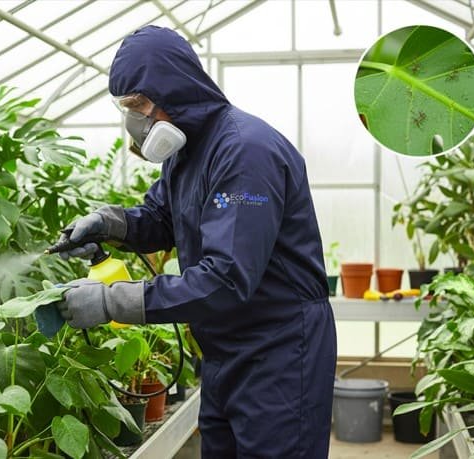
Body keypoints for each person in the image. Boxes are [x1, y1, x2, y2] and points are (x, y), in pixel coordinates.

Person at [54, 25, 337, 458]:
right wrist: (108, 223)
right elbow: (161, 218)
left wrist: (111, 302)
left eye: (140, 104)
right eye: (127, 107)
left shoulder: (245, 152)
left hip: (279, 350)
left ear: (174, 90)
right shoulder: (187, 153)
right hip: (225, 350)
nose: (135, 119)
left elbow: (225, 279)